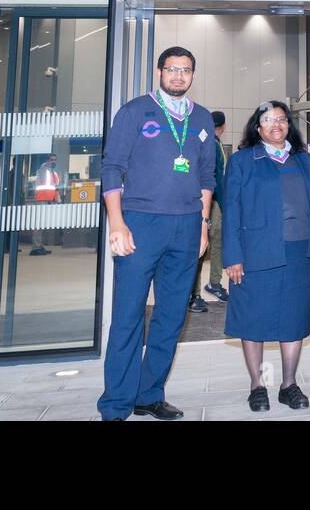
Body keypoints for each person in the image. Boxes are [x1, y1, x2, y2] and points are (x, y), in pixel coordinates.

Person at [96, 46, 216, 422]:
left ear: (193, 75)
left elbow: (207, 176)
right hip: (139, 223)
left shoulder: (202, 119)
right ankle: (116, 404)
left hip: (186, 227)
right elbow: (111, 167)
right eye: (172, 69)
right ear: (159, 72)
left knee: (170, 317)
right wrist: (117, 223)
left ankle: (149, 394)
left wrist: (202, 224)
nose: (178, 76)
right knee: (129, 315)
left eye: (186, 70)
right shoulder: (134, 111)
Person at [222, 101, 310, 412]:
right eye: (268, 120)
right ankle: (257, 385)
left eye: (281, 119)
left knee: (294, 317)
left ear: (289, 125)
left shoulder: (304, 160)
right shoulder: (242, 160)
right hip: (255, 252)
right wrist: (233, 256)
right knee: (253, 317)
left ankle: (288, 384)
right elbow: (231, 210)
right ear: (258, 127)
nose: (276, 124)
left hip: (299, 251)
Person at [189, 111, 228, 312]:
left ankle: (212, 283)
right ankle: (192, 293)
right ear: (222, 127)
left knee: (216, 241)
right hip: (208, 200)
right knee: (202, 244)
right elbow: (213, 177)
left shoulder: (214, 143)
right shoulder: (208, 143)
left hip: (215, 201)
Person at [30, 153, 61, 256]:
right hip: (42, 199)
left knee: (42, 224)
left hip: (48, 200)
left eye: (55, 160)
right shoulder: (44, 170)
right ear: (47, 160)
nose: (53, 162)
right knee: (38, 224)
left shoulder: (52, 172)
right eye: (51, 159)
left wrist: (56, 199)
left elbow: (54, 187)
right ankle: (35, 247)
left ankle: (39, 245)